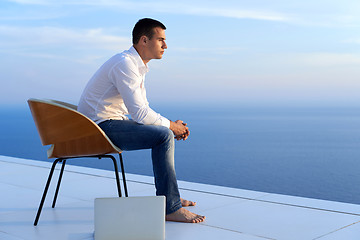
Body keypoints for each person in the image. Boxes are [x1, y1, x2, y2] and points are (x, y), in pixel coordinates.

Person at [78, 18, 205, 223]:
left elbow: (142, 111)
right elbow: (140, 114)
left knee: (164, 133)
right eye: (161, 40)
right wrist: (171, 127)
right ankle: (169, 206)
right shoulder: (125, 64)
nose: (165, 46)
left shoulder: (135, 65)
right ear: (144, 40)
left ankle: (169, 196)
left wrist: (172, 126)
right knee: (163, 135)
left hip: (106, 123)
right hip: (98, 129)